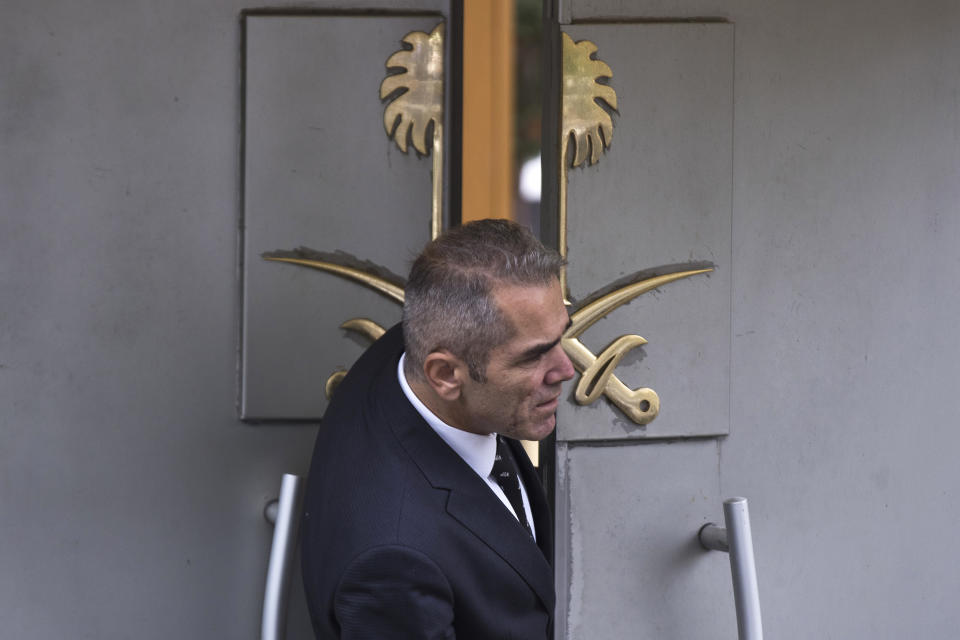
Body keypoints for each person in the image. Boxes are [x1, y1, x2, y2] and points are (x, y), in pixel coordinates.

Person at [300, 219, 576, 639]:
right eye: (532, 357)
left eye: (561, 337)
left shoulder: (409, 351)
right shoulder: (395, 562)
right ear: (445, 374)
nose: (566, 369)